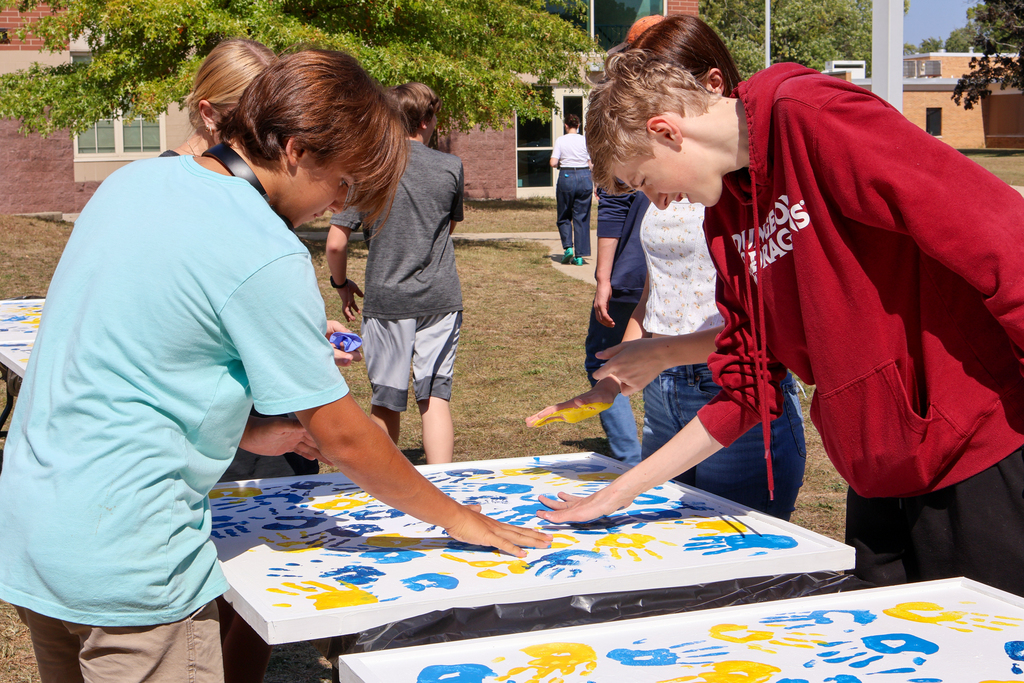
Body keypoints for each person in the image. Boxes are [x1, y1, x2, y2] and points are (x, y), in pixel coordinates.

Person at [0, 50, 550, 683]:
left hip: (37, 530)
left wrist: (252, 434)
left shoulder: (134, 182)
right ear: (294, 150)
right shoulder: (264, 248)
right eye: (344, 184)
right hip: (129, 556)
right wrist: (457, 516)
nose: (339, 205)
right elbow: (343, 434)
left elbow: (124, 366)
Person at [537, 14, 1024, 599]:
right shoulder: (725, 216)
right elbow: (749, 384)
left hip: (975, 453)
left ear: (666, 131)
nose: (657, 202)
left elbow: (1000, 238)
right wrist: (622, 491)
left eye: (641, 178)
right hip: (875, 475)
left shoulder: (813, 116)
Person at [327, 82, 465, 465]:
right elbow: (445, 229)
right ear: (425, 120)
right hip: (441, 298)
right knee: (434, 396)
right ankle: (443, 486)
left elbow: (336, 243)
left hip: (387, 301)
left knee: (386, 400)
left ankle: (384, 486)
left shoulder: (368, 170)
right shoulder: (451, 166)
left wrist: (341, 286)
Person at [584, 188, 648, 467]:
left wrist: (603, 279)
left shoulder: (622, 149)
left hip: (634, 273)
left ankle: (631, 459)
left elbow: (613, 208)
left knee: (603, 360)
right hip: (645, 279)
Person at [550, 113, 592, 266]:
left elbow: (553, 162)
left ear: (566, 126)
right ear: (579, 126)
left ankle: (568, 247)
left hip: (567, 176)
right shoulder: (585, 140)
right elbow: (590, 163)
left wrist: (561, 163)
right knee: (582, 217)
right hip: (584, 177)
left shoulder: (561, 140)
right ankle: (580, 256)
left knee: (564, 214)